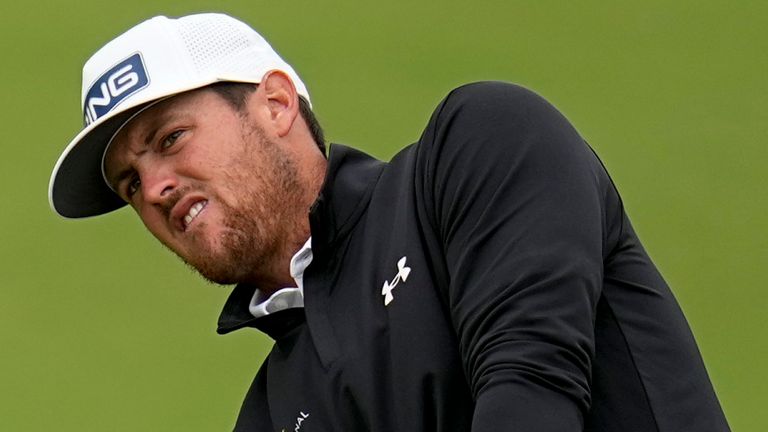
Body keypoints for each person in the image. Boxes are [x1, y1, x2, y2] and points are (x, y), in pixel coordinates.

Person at [49, 13, 730, 432]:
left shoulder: (476, 149)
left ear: (277, 104)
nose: (156, 189)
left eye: (170, 139)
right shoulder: (270, 415)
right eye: (130, 183)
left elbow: (533, 394)